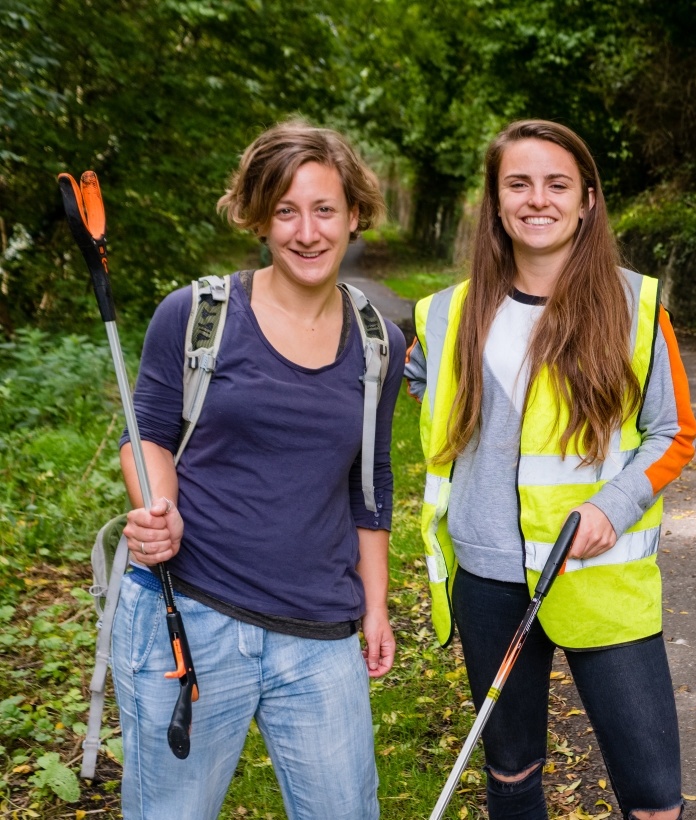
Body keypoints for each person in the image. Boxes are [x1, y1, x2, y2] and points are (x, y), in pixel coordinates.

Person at [406, 119, 696, 819]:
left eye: (557, 184)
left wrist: (611, 505)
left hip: (599, 576)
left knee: (655, 798)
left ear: (588, 199)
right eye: (519, 184)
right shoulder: (445, 316)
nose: (538, 199)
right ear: (496, 202)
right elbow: (425, 396)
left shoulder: (636, 305)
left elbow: (674, 432)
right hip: (489, 579)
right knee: (511, 779)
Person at [114, 121, 405, 818]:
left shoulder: (378, 344)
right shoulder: (194, 316)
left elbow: (371, 482)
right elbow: (147, 435)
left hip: (319, 631)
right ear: (258, 218)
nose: (307, 232)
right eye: (285, 211)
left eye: (324, 209)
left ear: (354, 214)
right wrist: (159, 508)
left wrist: (375, 606)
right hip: (188, 612)